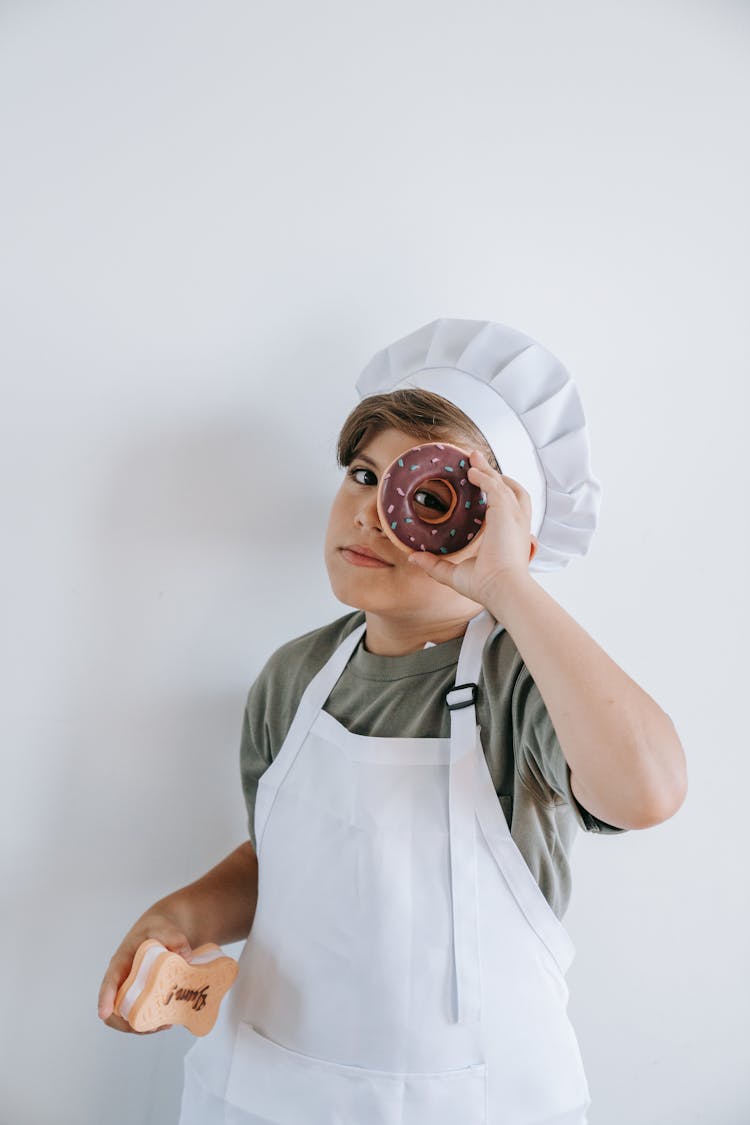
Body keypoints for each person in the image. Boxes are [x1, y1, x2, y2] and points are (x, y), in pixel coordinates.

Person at [98, 319, 687, 1125]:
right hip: (268, 1092)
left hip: (473, 1103)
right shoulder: (295, 676)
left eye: (431, 497)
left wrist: (509, 586)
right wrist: (187, 913)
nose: (374, 510)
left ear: (505, 527)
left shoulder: (524, 680)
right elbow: (289, 864)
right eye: (361, 471)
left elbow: (647, 790)